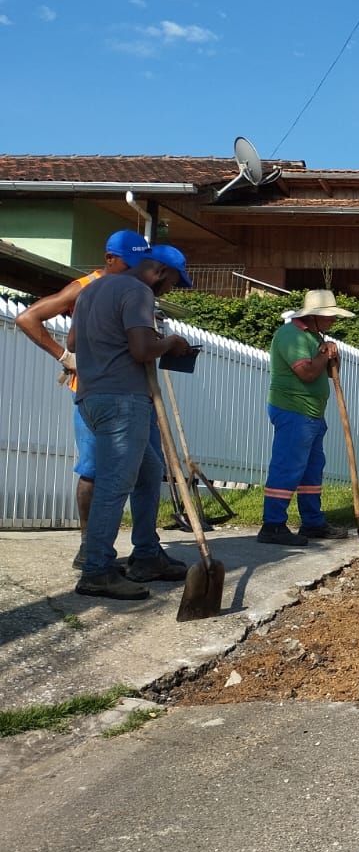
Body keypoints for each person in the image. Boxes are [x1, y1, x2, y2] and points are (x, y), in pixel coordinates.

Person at [16, 229, 154, 555]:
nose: (136, 270)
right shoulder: (86, 286)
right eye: (129, 263)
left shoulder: (133, 288)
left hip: (128, 394)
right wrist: (66, 357)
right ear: (109, 259)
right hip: (95, 393)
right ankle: (88, 547)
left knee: (147, 470)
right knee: (93, 470)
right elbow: (27, 317)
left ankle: (145, 551)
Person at [70, 254, 195, 599]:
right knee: (115, 484)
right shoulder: (138, 292)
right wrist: (170, 343)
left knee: (148, 470)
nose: (171, 289)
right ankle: (97, 569)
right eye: (172, 282)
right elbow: (142, 350)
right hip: (123, 400)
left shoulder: (91, 291)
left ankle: (147, 554)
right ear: (160, 272)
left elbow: (71, 344)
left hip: (92, 397)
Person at [259, 290, 354, 546]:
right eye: (330, 315)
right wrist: (324, 355)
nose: (333, 320)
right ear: (314, 316)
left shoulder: (312, 336)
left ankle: (312, 522)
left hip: (312, 414)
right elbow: (308, 374)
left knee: (312, 470)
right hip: (294, 411)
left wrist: (333, 355)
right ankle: (273, 525)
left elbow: (331, 374)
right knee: (287, 467)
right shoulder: (290, 336)